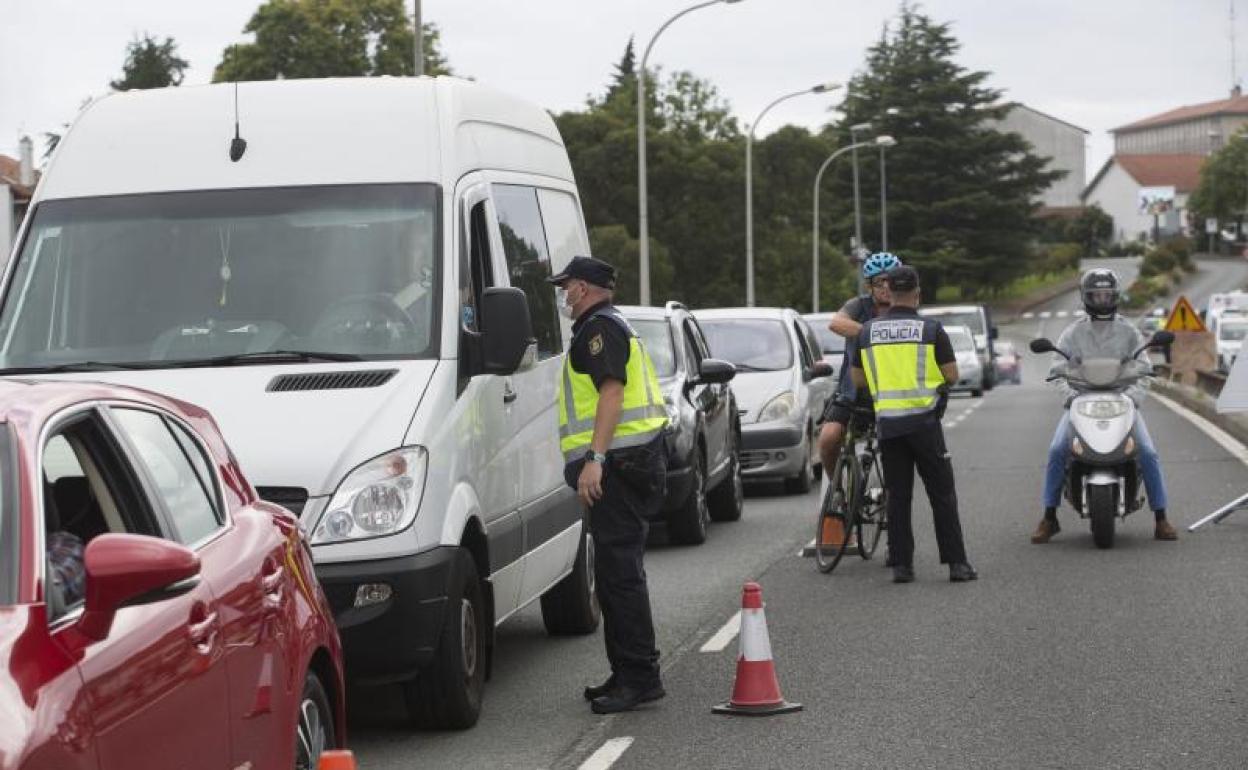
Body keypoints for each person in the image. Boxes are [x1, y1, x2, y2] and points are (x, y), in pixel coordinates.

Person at [546, 255, 669, 714]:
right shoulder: (605, 326)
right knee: (615, 574)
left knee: (620, 576)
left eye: (566, 287)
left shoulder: (600, 329)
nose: (563, 295)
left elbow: (611, 392)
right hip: (627, 461)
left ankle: (639, 677)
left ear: (584, 288)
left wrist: (594, 459)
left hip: (620, 464)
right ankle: (626, 671)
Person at [851, 266, 977, 583]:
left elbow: (858, 379)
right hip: (924, 424)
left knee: (897, 496)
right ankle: (957, 564)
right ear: (918, 293)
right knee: (942, 494)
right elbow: (951, 375)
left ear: (889, 293)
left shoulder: (867, 331)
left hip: (889, 425)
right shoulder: (931, 330)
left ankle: (902, 566)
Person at [1031, 268, 1178, 543]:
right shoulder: (1072, 333)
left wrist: (1133, 397)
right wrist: (1070, 397)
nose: (1101, 300)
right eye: (1096, 295)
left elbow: (1145, 370)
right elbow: (1056, 371)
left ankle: (1161, 518)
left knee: (1147, 452)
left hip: (1122, 400)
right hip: (1080, 400)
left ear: (1115, 296)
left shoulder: (1129, 331)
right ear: (1086, 297)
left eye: (1106, 295)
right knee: (1057, 450)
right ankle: (1049, 517)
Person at [817, 252, 900, 550]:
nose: (886, 288)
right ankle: (840, 491)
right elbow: (836, 323)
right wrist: (872, 331)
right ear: (870, 286)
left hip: (891, 395)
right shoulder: (859, 306)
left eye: (891, 281)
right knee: (829, 438)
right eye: (879, 283)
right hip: (853, 392)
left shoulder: (905, 310)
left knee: (896, 457)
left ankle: (893, 516)